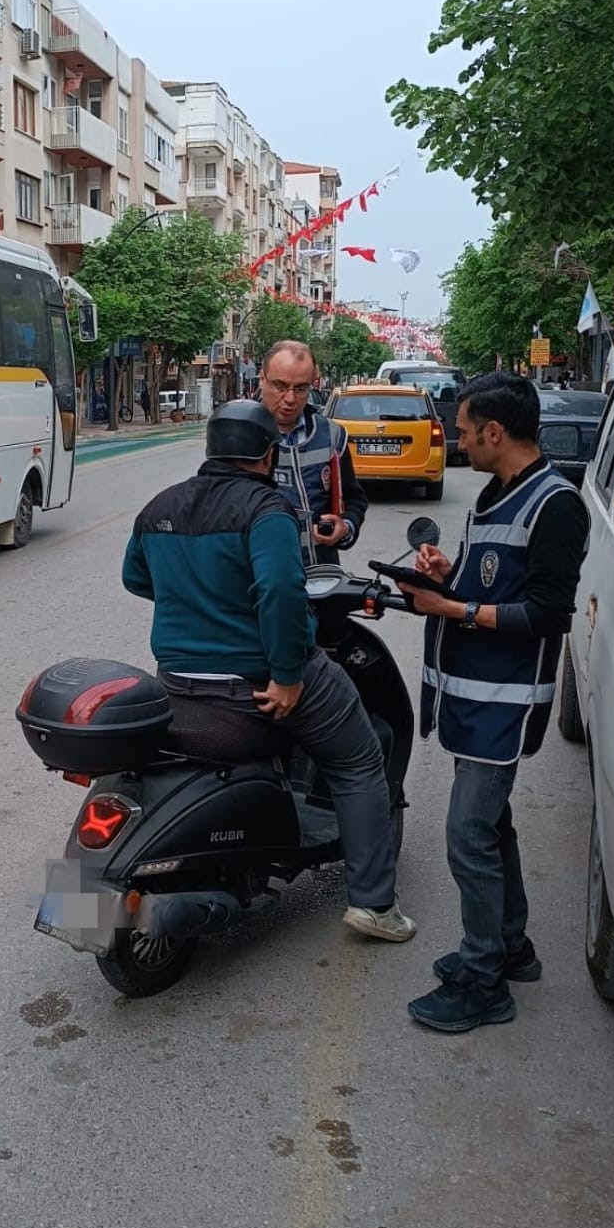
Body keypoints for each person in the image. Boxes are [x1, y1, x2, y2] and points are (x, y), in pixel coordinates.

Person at [121, 400, 414, 942]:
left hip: (179, 680)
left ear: (210, 448)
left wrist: (198, 596)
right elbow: (281, 592)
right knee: (358, 760)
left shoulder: (160, 506)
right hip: (257, 680)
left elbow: (136, 580)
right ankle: (374, 905)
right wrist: (286, 676)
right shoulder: (267, 509)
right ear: (270, 454)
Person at [398, 372, 590, 1032]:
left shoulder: (556, 504)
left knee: (468, 834)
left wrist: (450, 606)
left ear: (495, 432)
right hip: (474, 693)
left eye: (463, 430)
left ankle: (484, 982)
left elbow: (545, 613)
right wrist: (442, 573)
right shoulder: (494, 492)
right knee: (492, 825)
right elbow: (491, 577)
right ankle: (511, 946)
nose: (457, 439)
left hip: (506, 699)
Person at [258, 340, 368, 566]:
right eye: (280, 386)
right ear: (262, 379)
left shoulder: (331, 435)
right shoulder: (237, 434)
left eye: (300, 388)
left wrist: (345, 526)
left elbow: (354, 498)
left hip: (322, 574)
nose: (290, 399)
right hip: (262, 579)